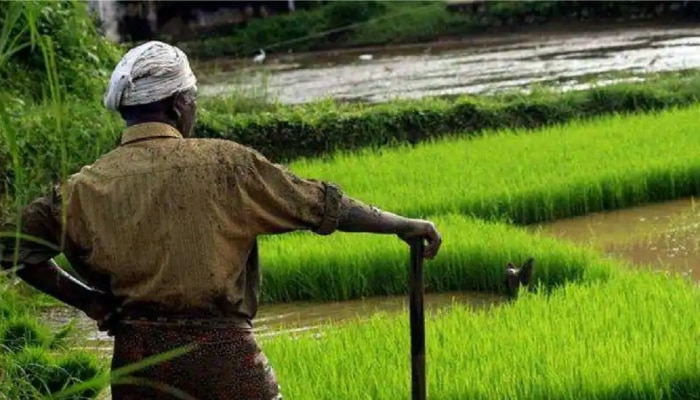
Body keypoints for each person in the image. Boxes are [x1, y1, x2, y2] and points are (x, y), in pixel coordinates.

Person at [0, 41, 442, 400]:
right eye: (192, 101)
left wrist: (87, 302)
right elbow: (322, 205)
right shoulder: (225, 164)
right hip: (223, 357)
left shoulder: (82, 188)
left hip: (137, 364)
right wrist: (403, 224)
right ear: (178, 104)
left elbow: (12, 246)